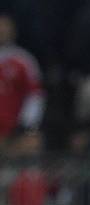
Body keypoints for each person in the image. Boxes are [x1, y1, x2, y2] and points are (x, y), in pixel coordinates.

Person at [0, 13, 45, 145]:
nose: (1, 31)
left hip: (15, 129)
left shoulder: (23, 60)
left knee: (32, 142)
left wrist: (27, 123)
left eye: (4, 27)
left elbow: (35, 95)